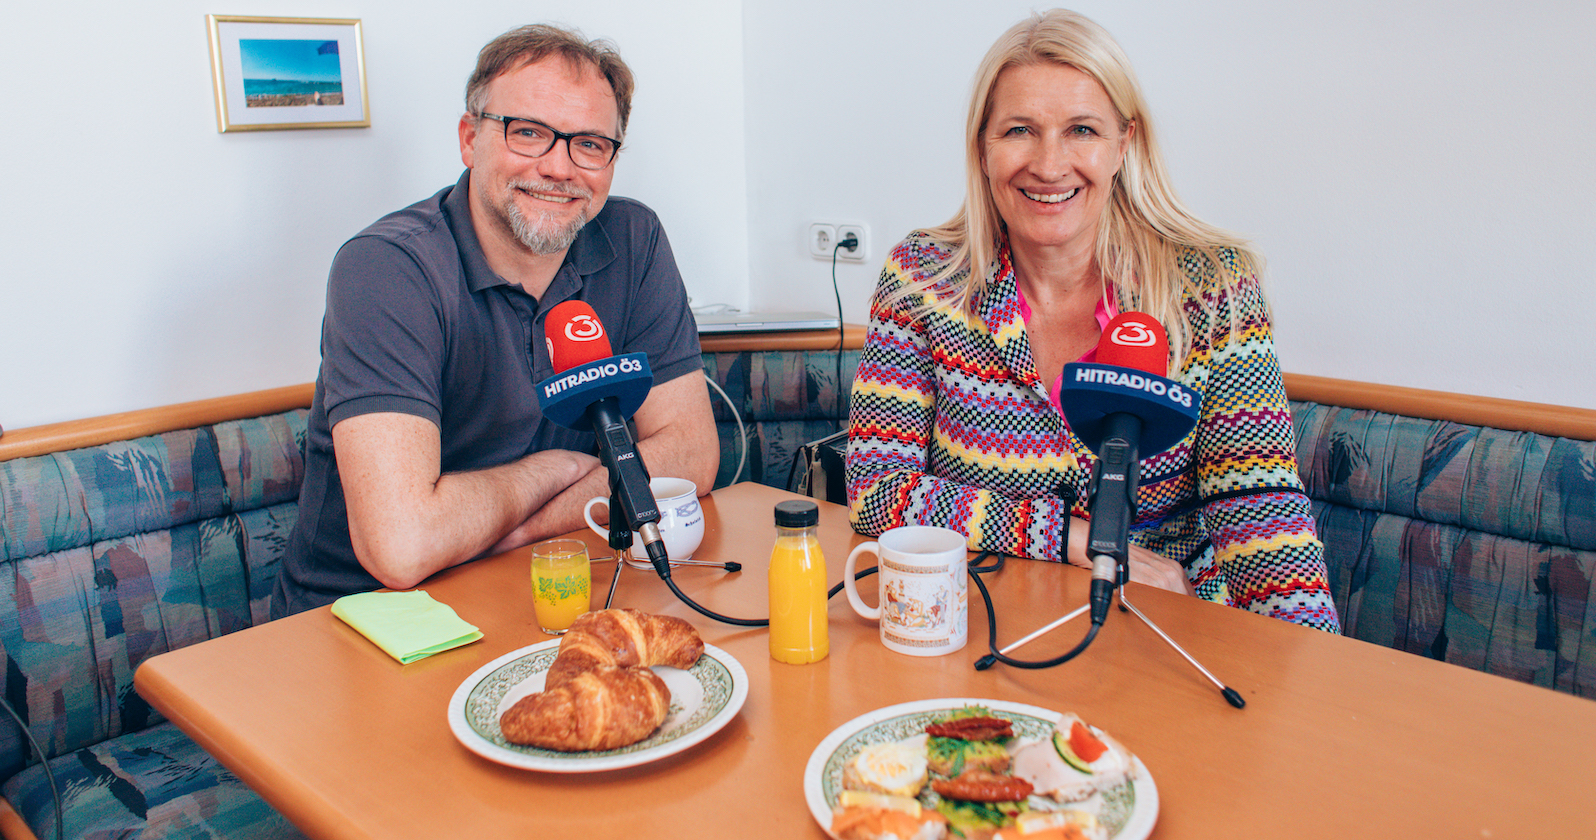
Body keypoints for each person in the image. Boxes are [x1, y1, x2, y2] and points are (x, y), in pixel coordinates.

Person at [845, 10, 1339, 632]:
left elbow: (1258, 505)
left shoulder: (1213, 285)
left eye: (1082, 130)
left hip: (1164, 633)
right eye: (1020, 130)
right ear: (983, 146)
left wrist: (1313, 672)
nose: (1050, 166)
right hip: (984, 630)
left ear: (1122, 145)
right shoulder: (922, 278)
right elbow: (874, 488)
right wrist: (1073, 537)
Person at [272, 24, 718, 617]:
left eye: (589, 144)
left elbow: (691, 454)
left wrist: (507, 528)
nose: (560, 167)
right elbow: (402, 547)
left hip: (544, 578)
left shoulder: (634, 239)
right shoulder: (385, 268)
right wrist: (550, 471)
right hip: (366, 617)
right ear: (469, 138)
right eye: (529, 133)